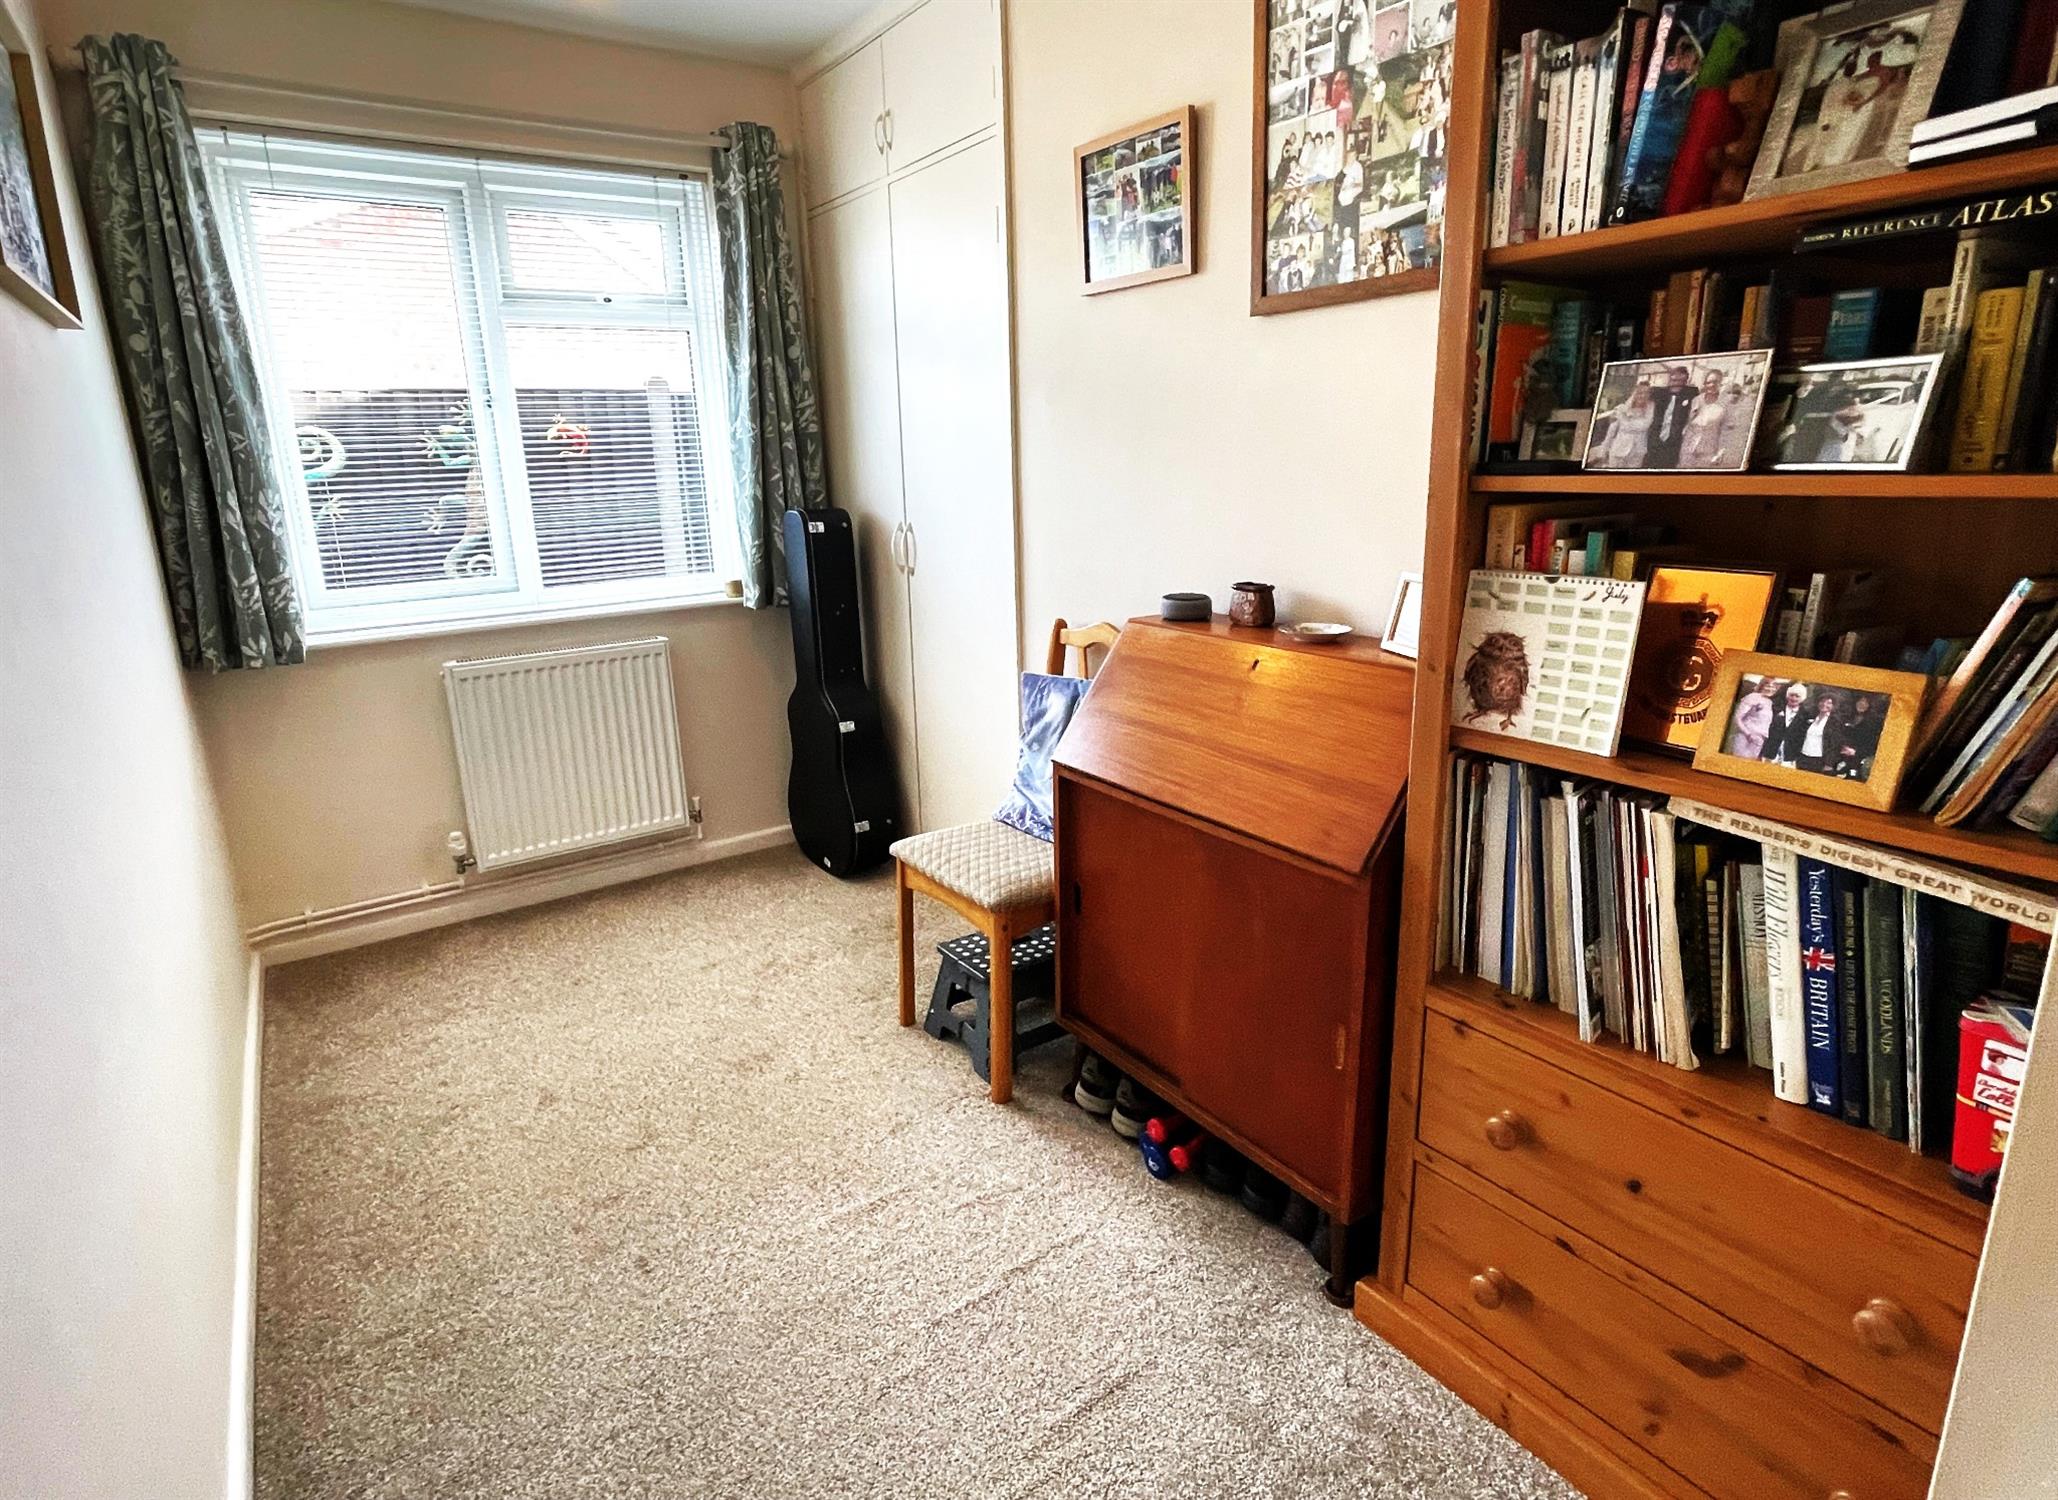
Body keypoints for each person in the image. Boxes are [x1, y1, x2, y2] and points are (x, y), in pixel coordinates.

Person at [1677, 370, 1733, 468]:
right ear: (1704, 384)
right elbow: (1687, 423)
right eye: (1708, 382)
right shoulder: (1696, 400)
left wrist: (1720, 453)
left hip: (1708, 453)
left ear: (1721, 383)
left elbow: (1726, 433)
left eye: (1715, 382)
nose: (1711, 385)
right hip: (1688, 449)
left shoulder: (1726, 405)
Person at [1645, 365, 1698, 468]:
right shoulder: (1658, 393)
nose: (1677, 383)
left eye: (1681, 381)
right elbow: (1639, 398)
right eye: (1674, 379)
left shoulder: (1691, 393)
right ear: (1670, 378)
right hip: (1654, 440)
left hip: (1674, 443)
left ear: (1685, 381)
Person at [1595, 379, 1655, 468]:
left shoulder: (1650, 408)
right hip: (1618, 451)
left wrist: (1623, 419)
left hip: (1637, 453)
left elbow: (1644, 426)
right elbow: (1611, 432)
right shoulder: (1621, 409)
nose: (1643, 396)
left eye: (1647, 393)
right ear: (1634, 393)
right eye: (1640, 392)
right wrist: (1603, 451)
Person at [1834, 694, 1883, 779]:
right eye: (1860, 701)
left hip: (1858, 758)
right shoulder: (1847, 717)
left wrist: (1856, 752)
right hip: (1839, 754)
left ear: (1870, 705)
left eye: (1865, 702)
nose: (1862, 704)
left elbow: (1872, 744)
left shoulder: (1873, 722)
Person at [1726, 678, 1777, 759]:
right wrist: (1749, 734)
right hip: (1746, 738)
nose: (1771, 689)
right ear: (1762, 686)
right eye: (1768, 686)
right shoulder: (1752, 697)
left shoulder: (1769, 702)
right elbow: (1738, 717)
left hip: (1759, 740)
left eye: (1773, 686)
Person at [1763, 683, 1812, 767]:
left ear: (1802, 699)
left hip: (1789, 753)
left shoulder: (1806, 715)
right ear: (1787, 696)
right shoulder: (1776, 708)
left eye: (1797, 696)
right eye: (1791, 695)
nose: (1793, 698)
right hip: (1771, 749)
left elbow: (1802, 736)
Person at [1797, 692, 1840, 774]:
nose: (1824, 704)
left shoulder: (1835, 722)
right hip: (1803, 756)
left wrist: (1829, 763)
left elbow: (1835, 745)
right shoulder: (1810, 716)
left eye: (1829, 703)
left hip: (1819, 760)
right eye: (1822, 701)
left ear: (1833, 706)